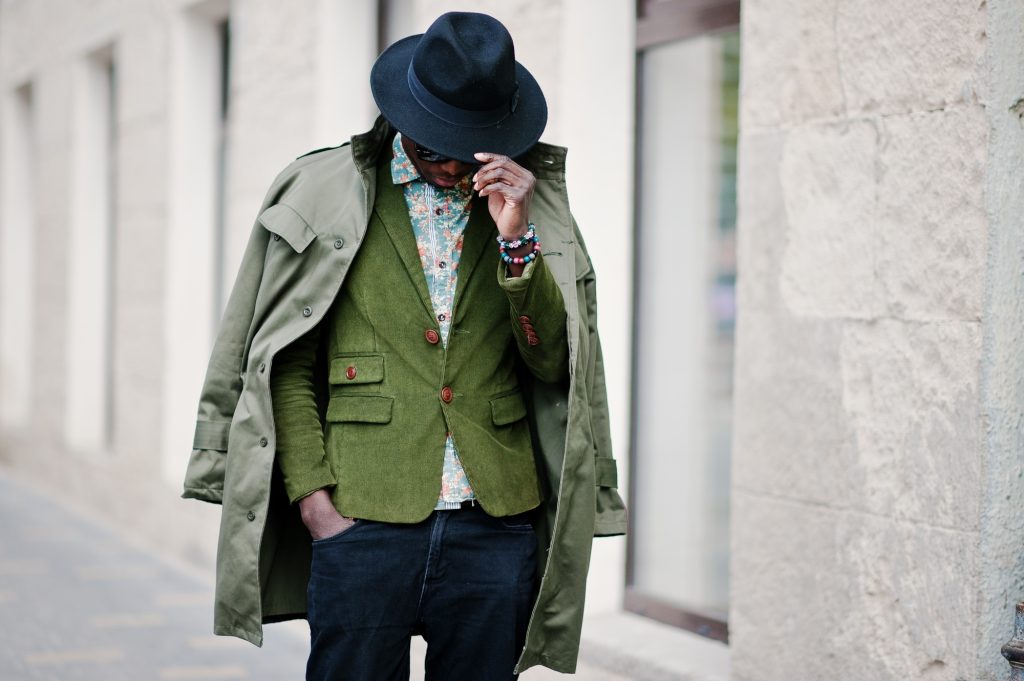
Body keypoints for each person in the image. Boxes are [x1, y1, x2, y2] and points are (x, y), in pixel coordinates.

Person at [182, 11, 626, 681]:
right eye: (434, 147)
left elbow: (552, 363)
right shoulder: (328, 191)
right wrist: (313, 496)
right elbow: (288, 360)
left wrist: (516, 240)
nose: (449, 165)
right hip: (363, 516)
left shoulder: (531, 207)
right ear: (405, 119)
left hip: (494, 523)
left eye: (467, 148)